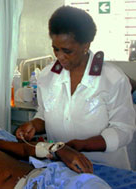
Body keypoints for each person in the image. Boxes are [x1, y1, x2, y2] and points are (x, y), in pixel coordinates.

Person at [15, 6, 136, 170]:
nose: (59, 56)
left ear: (86, 45)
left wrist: (82, 145)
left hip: (105, 167)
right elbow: (44, 114)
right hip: (62, 165)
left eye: (67, 51)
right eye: (55, 49)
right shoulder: (47, 76)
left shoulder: (113, 80)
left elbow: (123, 130)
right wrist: (34, 126)